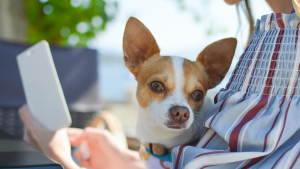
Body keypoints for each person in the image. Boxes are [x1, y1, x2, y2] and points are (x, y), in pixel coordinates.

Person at [19, 0, 299, 168]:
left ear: (213, 78)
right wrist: (128, 160)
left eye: (196, 95)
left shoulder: (287, 52)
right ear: (134, 60)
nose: (181, 109)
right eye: (158, 86)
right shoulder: (270, 40)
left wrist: (60, 161)